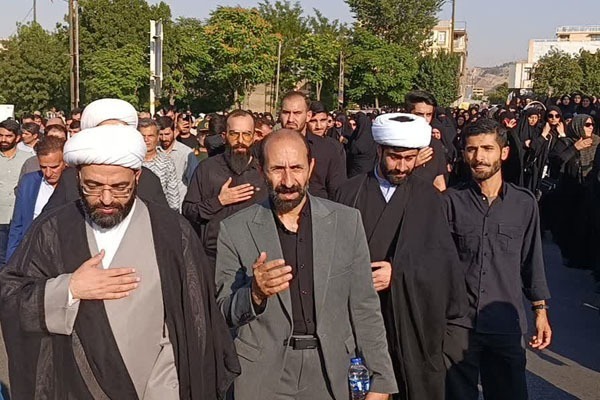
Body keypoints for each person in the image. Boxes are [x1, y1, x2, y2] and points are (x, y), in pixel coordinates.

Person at [0, 124, 240, 399]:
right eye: (92, 186)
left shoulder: (173, 232)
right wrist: (69, 289)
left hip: (159, 387)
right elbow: (11, 296)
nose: (106, 199)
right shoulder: (52, 229)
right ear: (78, 177)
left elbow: (197, 320)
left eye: (119, 187)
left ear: (137, 177)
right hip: (75, 387)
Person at [215, 129, 397, 400]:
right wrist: (254, 293)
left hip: (331, 371)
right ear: (262, 170)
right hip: (262, 375)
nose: (288, 181)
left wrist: (381, 379)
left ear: (311, 168)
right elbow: (223, 311)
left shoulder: (346, 222)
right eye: (277, 169)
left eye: (296, 168)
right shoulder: (235, 229)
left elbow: (365, 307)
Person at [336, 114, 466, 400]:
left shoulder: (429, 197)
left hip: (409, 317)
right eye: (395, 157)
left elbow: (443, 266)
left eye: (410, 158)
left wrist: (398, 273)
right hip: (358, 315)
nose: (403, 166)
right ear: (379, 150)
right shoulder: (349, 193)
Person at [443, 118, 552, 400]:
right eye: (471, 149)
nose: (479, 157)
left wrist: (540, 311)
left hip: (505, 322)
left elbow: (532, 260)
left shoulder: (524, 204)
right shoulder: (450, 201)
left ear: (503, 152)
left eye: (487, 148)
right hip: (458, 322)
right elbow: (436, 264)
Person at [44, 99, 168, 211]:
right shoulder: (69, 178)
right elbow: (49, 222)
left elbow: (163, 222)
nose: (106, 200)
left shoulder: (150, 180)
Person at [182, 110, 267, 265]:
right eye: (234, 134)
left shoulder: (263, 172)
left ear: (254, 136)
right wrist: (219, 201)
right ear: (224, 136)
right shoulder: (207, 169)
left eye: (246, 134)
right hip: (214, 257)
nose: (240, 140)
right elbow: (188, 211)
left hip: (253, 257)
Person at [548, 114, 598, 269]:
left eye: (592, 124)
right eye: (587, 125)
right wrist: (575, 148)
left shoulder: (597, 142)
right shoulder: (566, 142)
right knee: (572, 225)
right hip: (570, 191)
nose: (590, 128)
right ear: (578, 126)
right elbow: (555, 162)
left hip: (590, 190)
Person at [7, 136, 66, 261]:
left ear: (65, 162)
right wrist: (10, 262)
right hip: (31, 255)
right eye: (43, 167)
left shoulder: (75, 184)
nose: (48, 173)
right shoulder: (28, 182)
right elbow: (17, 225)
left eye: (54, 167)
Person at [280, 91, 347, 199]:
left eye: (297, 113)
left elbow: (338, 192)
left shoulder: (328, 149)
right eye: (286, 113)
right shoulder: (265, 148)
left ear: (308, 116)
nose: (290, 119)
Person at [0, 120, 32, 265]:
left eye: (8, 136)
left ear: (17, 137)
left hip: (19, 217)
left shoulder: (28, 159)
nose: (3, 139)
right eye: (1, 135)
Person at [405, 91, 448, 191]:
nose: (424, 119)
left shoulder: (435, 144)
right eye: (419, 114)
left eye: (428, 114)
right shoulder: (394, 142)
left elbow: (439, 183)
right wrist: (412, 163)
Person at [138, 118, 181, 211]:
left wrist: (173, 215)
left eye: (150, 136)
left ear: (157, 137)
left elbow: (173, 195)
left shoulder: (167, 162)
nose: (146, 140)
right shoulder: (131, 162)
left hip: (160, 212)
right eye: (143, 136)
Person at [158, 116, 197, 204]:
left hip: (179, 204)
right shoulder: (153, 151)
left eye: (167, 134)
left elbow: (193, 182)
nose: (164, 138)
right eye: (160, 134)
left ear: (174, 131)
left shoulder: (186, 153)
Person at [346, 112, 378, 178]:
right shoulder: (373, 137)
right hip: (370, 173)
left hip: (356, 173)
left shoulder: (357, 139)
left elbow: (353, 150)